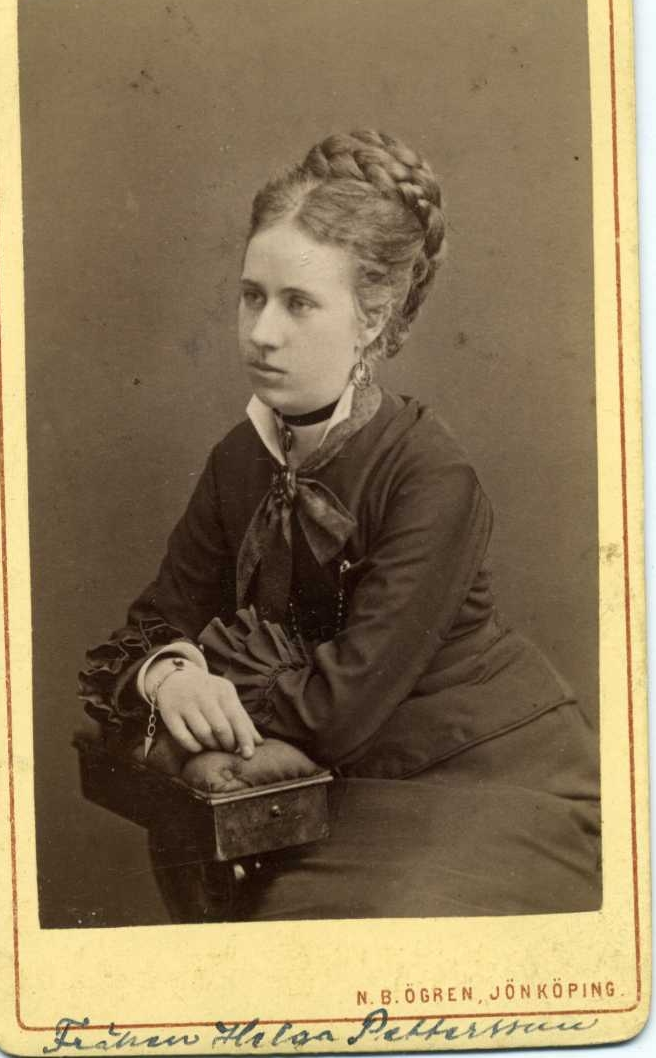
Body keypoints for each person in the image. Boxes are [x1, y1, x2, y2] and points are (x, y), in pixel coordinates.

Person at [79, 129, 601, 920]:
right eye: (252, 295)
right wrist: (171, 676)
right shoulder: (239, 458)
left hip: (484, 772)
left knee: (326, 932)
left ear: (371, 318)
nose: (263, 331)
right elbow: (152, 627)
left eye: (299, 303)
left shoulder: (431, 475)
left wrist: (217, 679)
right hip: (326, 782)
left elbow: (337, 713)